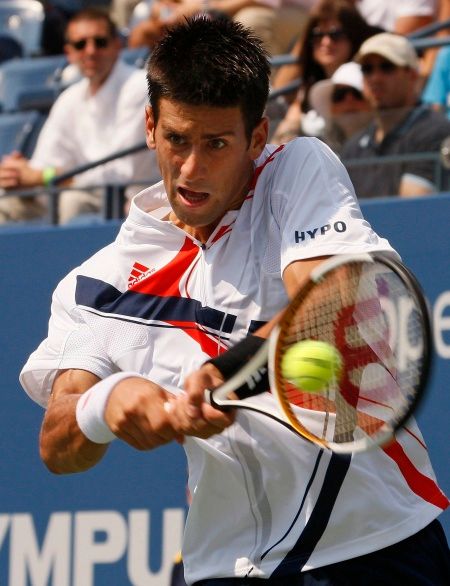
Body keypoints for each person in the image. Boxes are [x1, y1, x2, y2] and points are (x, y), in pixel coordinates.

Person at [20, 16, 449, 586]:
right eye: (176, 139)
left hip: (375, 546)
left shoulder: (295, 170)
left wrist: (227, 374)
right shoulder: (98, 282)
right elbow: (58, 442)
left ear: (256, 136)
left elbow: (331, 301)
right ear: (150, 126)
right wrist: (110, 403)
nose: (191, 168)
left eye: (217, 143)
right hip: (224, 564)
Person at [0, 7, 159, 225]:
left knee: (71, 201)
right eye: (80, 44)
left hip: (128, 199)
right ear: (69, 53)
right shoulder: (69, 98)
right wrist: (18, 174)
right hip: (78, 190)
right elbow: (46, 163)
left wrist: (41, 177)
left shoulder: (139, 86)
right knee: (5, 201)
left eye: (100, 42)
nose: (90, 51)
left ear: (117, 45)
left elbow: (119, 172)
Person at [340, 32, 450, 199]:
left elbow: (410, 211)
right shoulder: (352, 149)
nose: (375, 78)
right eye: (367, 69)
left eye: (387, 67)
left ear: (412, 75)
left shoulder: (436, 132)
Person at [271, 0, 380, 145]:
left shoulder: (369, 78)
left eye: (336, 35)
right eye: (317, 35)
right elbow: (280, 89)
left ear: (353, 37)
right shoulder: (304, 92)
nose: (326, 42)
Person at [127, 0, 315, 56]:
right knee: (146, 29)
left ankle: (264, 98)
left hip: (296, 12)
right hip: (215, 12)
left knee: (250, 20)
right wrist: (165, 8)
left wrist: (203, 7)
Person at [308, 61, 373, 152]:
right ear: (331, 107)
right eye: (339, 95)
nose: (349, 100)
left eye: (357, 93)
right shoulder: (320, 149)